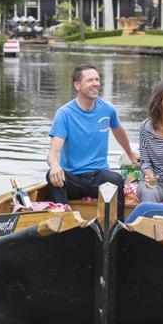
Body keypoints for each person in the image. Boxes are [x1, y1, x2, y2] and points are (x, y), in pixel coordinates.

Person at [46, 64, 139, 220]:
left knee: (115, 179)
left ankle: (118, 228)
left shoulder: (108, 110)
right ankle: (63, 222)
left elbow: (119, 132)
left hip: (99, 178)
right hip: (74, 179)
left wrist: (130, 153)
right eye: (90, 80)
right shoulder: (64, 114)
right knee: (51, 176)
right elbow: (53, 153)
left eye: (97, 79)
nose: (96, 83)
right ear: (77, 85)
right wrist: (54, 165)